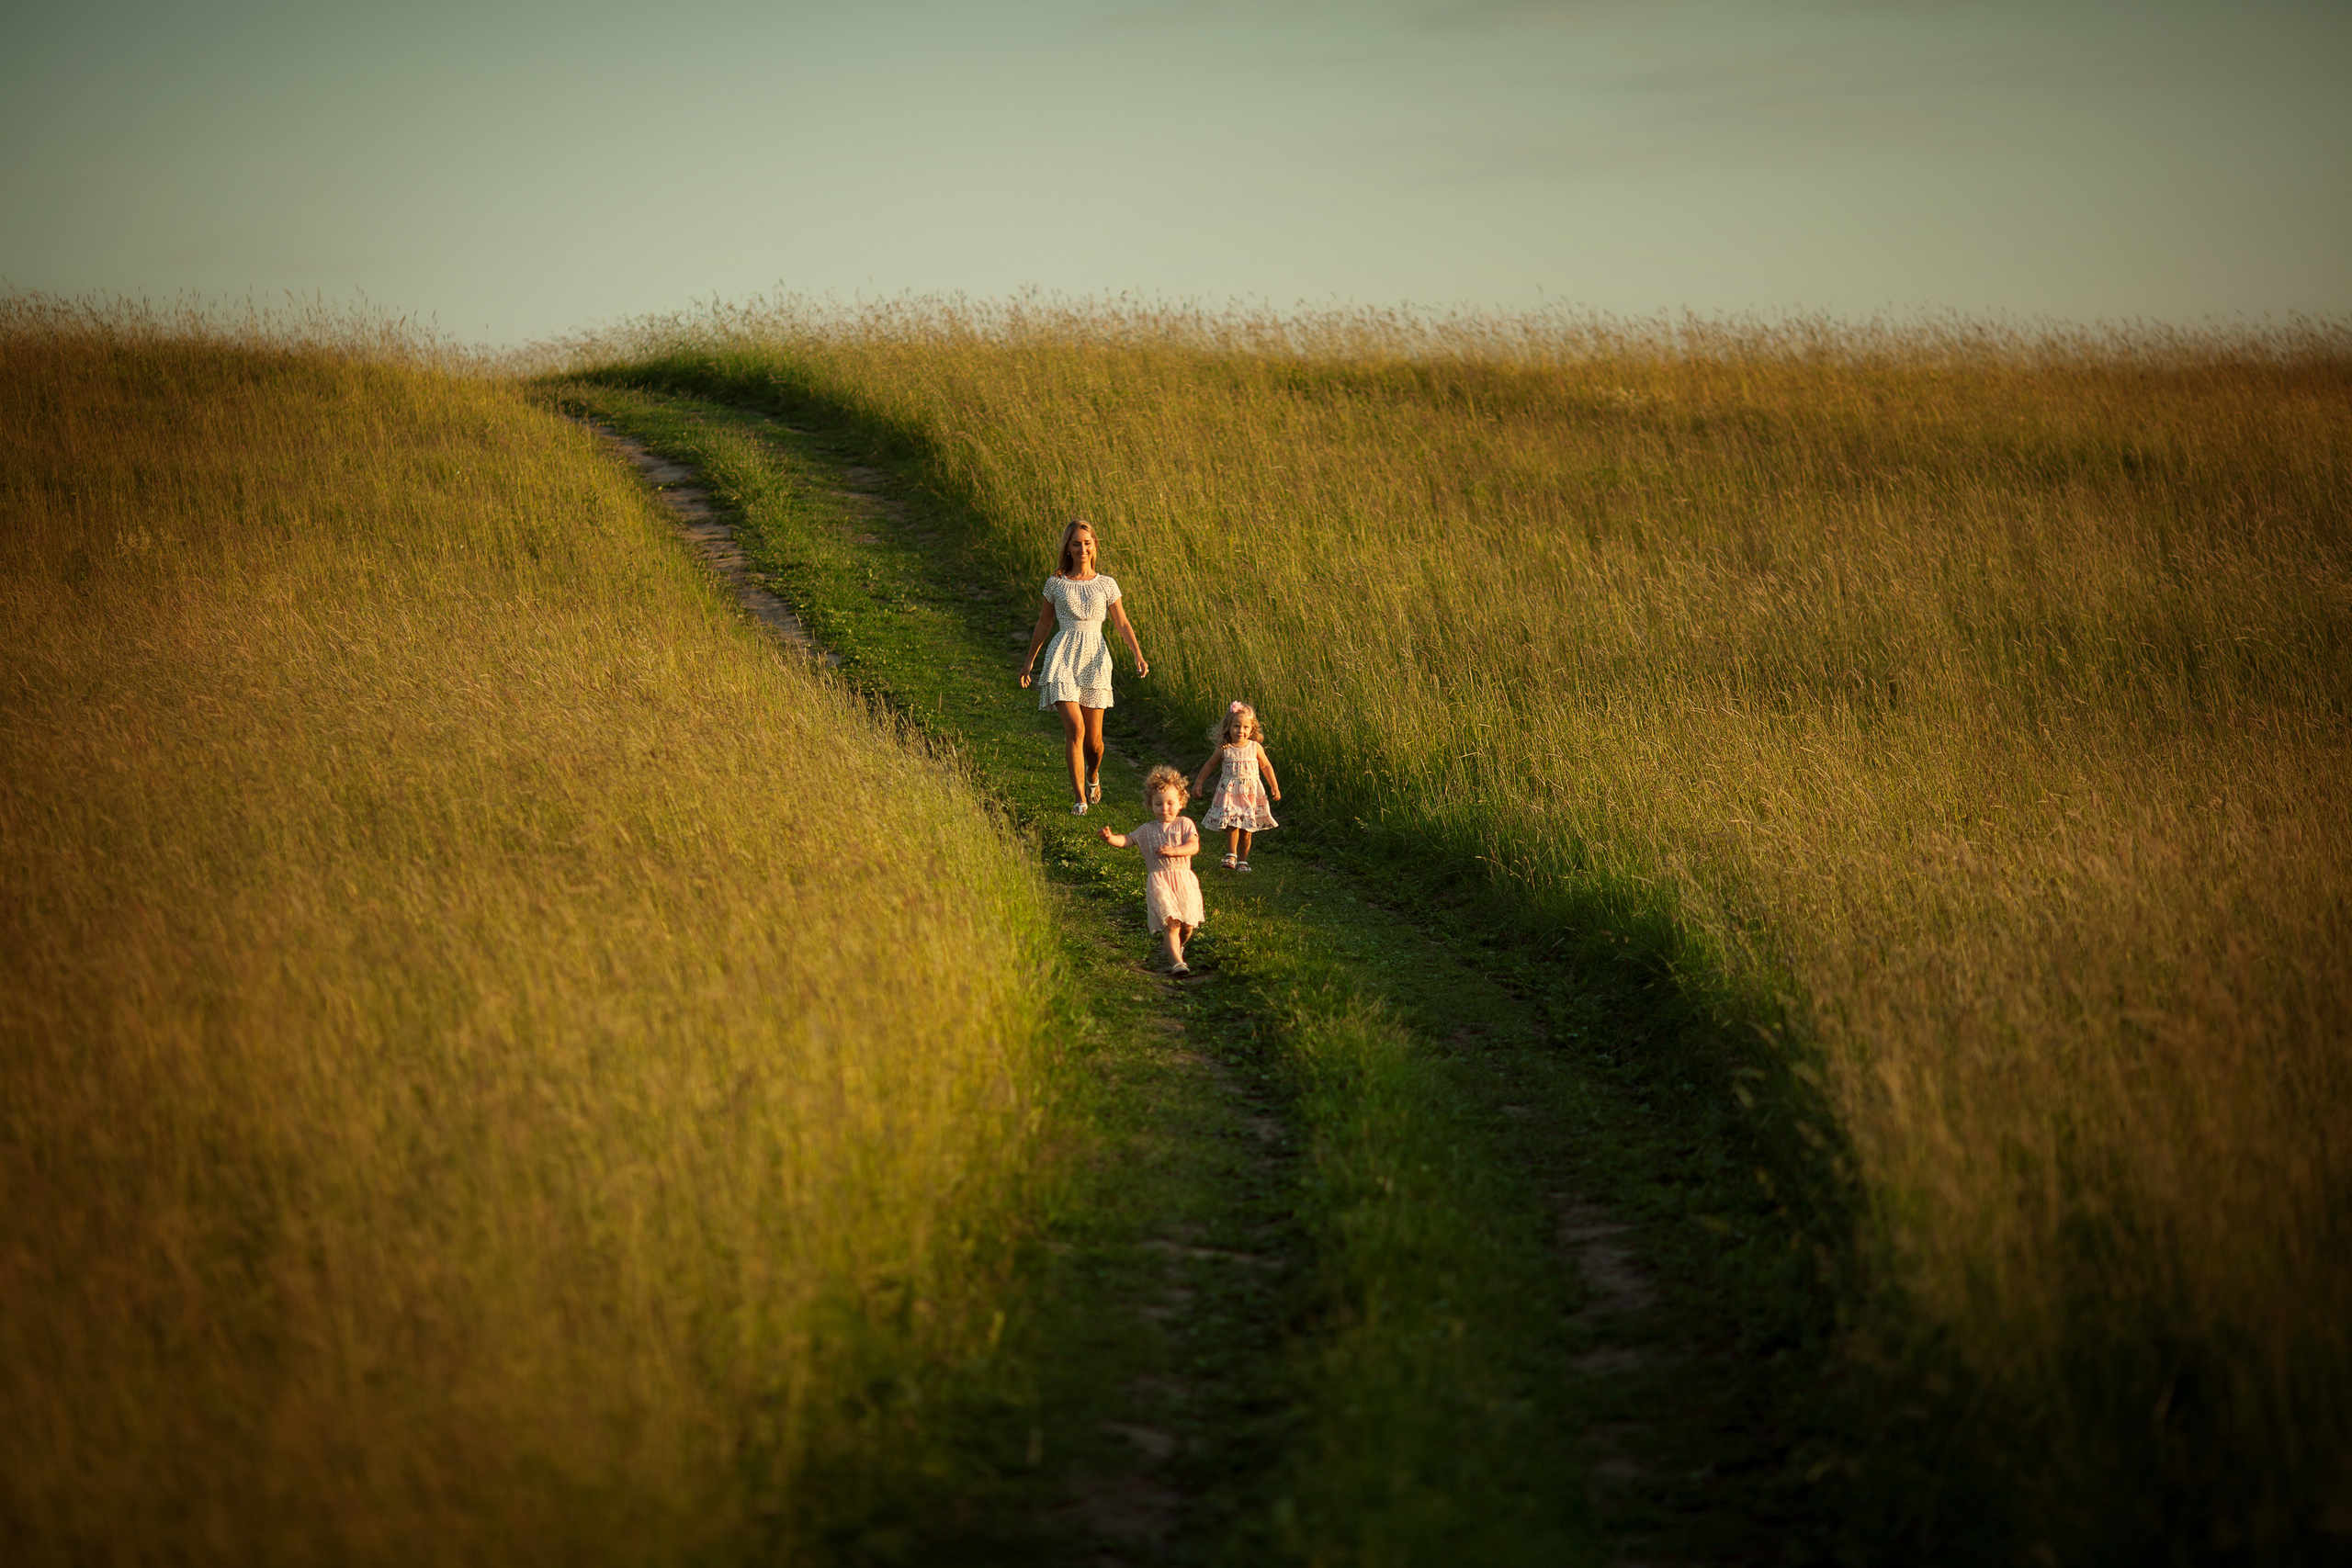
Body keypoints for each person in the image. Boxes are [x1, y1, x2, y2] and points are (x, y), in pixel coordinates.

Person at [1018, 518, 1148, 815]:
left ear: (1095, 546)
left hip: (1095, 658)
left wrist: (1138, 655)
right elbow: (1044, 623)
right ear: (1067, 547)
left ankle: (1093, 774)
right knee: (1075, 729)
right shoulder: (1056, 583)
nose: (1082, 549)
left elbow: (1122, 622)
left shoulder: (1106, 584)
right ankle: (1079, 798)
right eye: (1076, 543)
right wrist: (1029, 662)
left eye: (1087, 543)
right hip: (1062, 655)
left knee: (1095, 743)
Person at [1097, 765, 1204, 975]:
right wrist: (1110, 838)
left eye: (1170, 803)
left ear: (1181, 803)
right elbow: (1127, 840)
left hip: (1184, 880)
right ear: (1151, 805)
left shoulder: (1185, 824)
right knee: (1171, 923)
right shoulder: (1147, 830)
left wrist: (1174, 850)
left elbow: (1194, 846)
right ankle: (1177, 963)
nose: (1165, 808)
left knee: (1187, 925)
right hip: (1161, 882)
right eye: (1158, 804)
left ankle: (1179, 948)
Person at [1194, 700, 1281, 872]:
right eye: (1236, 726)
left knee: (1247, 828)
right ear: (1229, 726)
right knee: (1232, 823)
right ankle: (1231, 855)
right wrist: (1199, 782)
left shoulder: (1255, 747)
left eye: (1245, 727)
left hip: (1250, 794)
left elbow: (1266, 766)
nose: (1240, 731)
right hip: (1231, 793)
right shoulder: (1224, 748)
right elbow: (1210, 765)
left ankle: (1243, 861)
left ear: (1252, 729)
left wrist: (1274, 786)